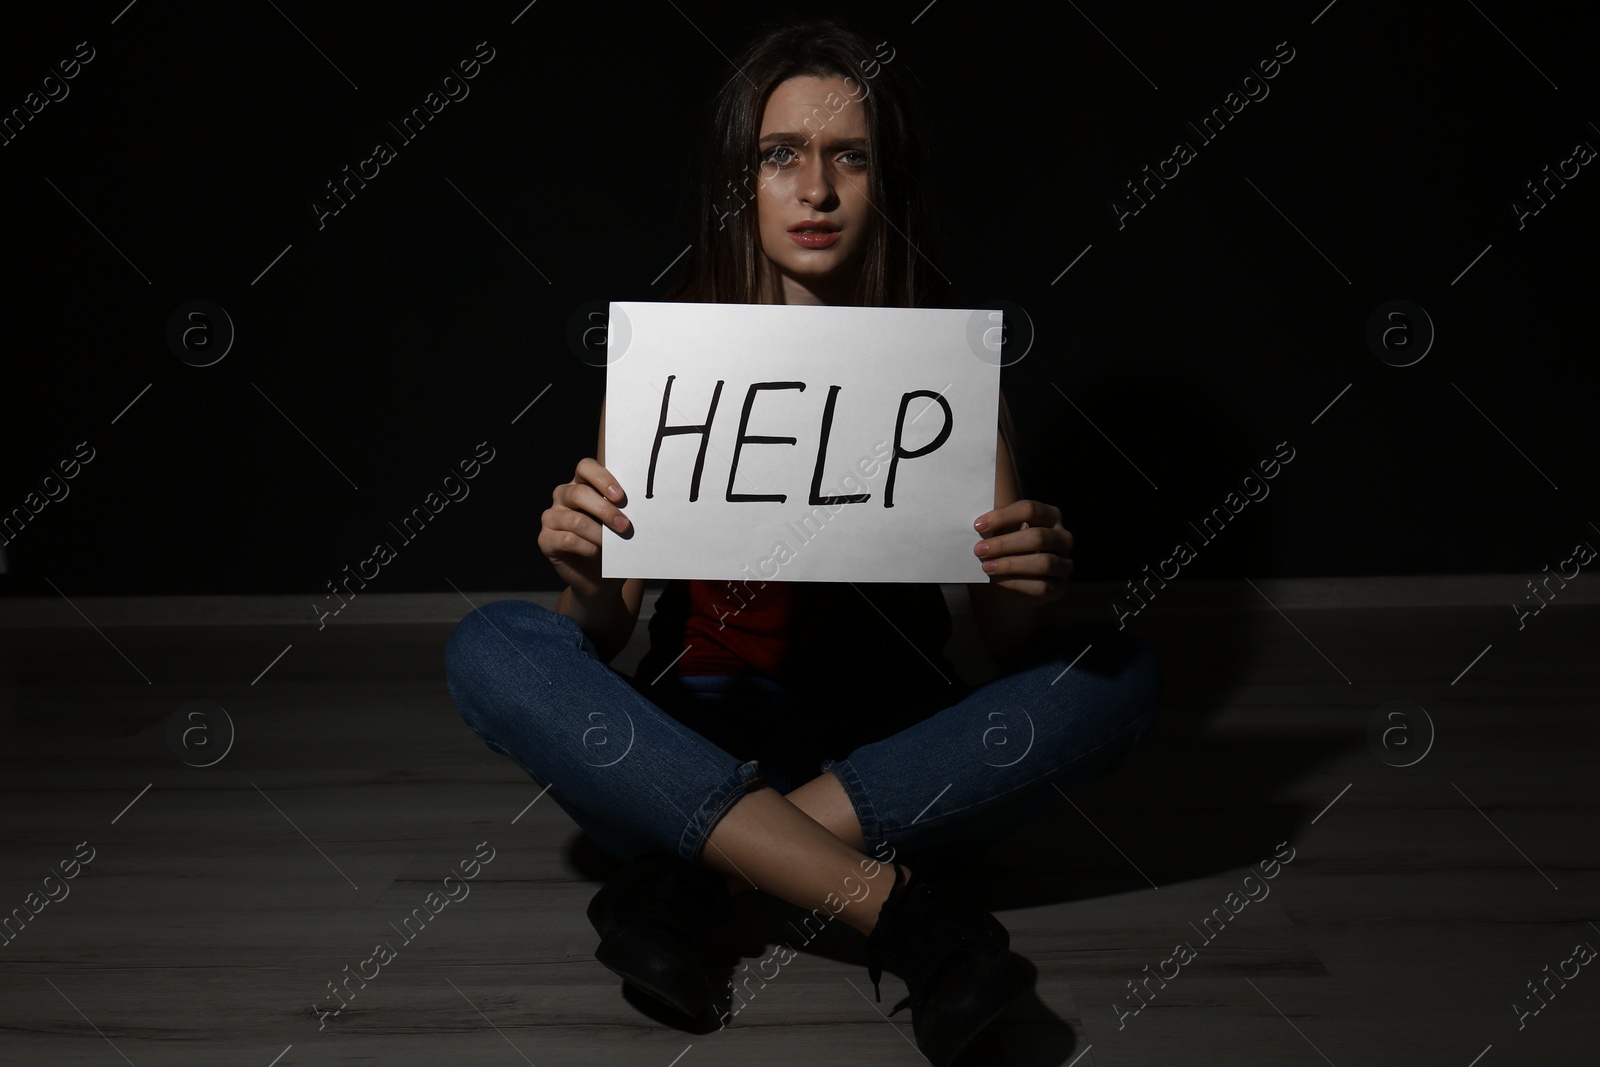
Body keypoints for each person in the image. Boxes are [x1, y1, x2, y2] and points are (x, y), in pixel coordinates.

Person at [446, 17, 1161, 1065]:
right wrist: (584, 574)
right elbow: (596, 633)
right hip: (696, 729)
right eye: (781, 156)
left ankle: (698, 875)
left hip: (891, 747)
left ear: (884, 180)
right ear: (743, 179)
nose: (815, 190)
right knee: (491, 649)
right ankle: (906, 913)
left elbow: (1008, 641)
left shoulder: (944, 371)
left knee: (1120, 674)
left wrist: (1030, 577)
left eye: (849, 157)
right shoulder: (671, 365)